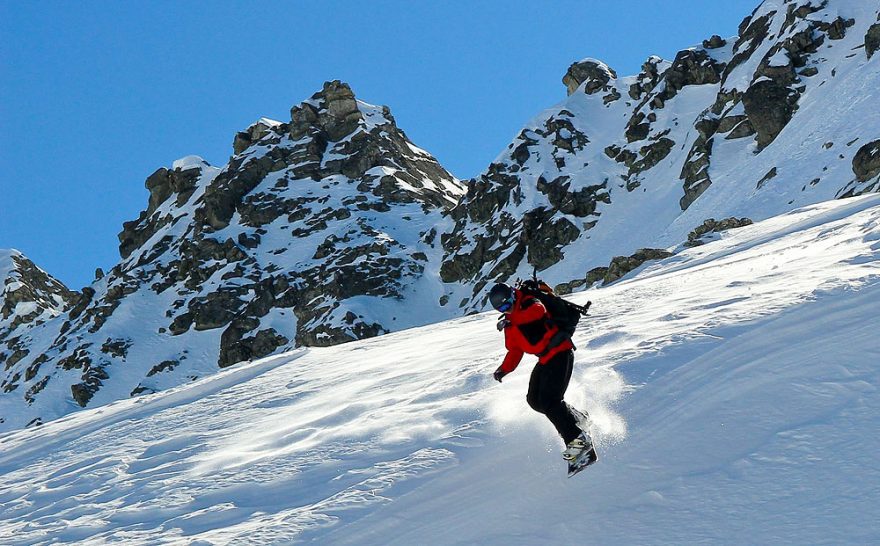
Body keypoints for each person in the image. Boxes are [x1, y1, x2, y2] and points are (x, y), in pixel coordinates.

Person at [489, 282, 592, 463]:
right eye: (502, 309)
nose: (507, 309)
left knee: (550, 401)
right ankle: (579, 419)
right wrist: (503, 370)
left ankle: (580, 446)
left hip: (560, 352)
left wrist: (513, 319)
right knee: (535, 401)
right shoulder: (510, 321)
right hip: (545, 358)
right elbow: (514, 350)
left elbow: (538, 311)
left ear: (513, 296)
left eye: (507, 304)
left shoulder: (528, 301)